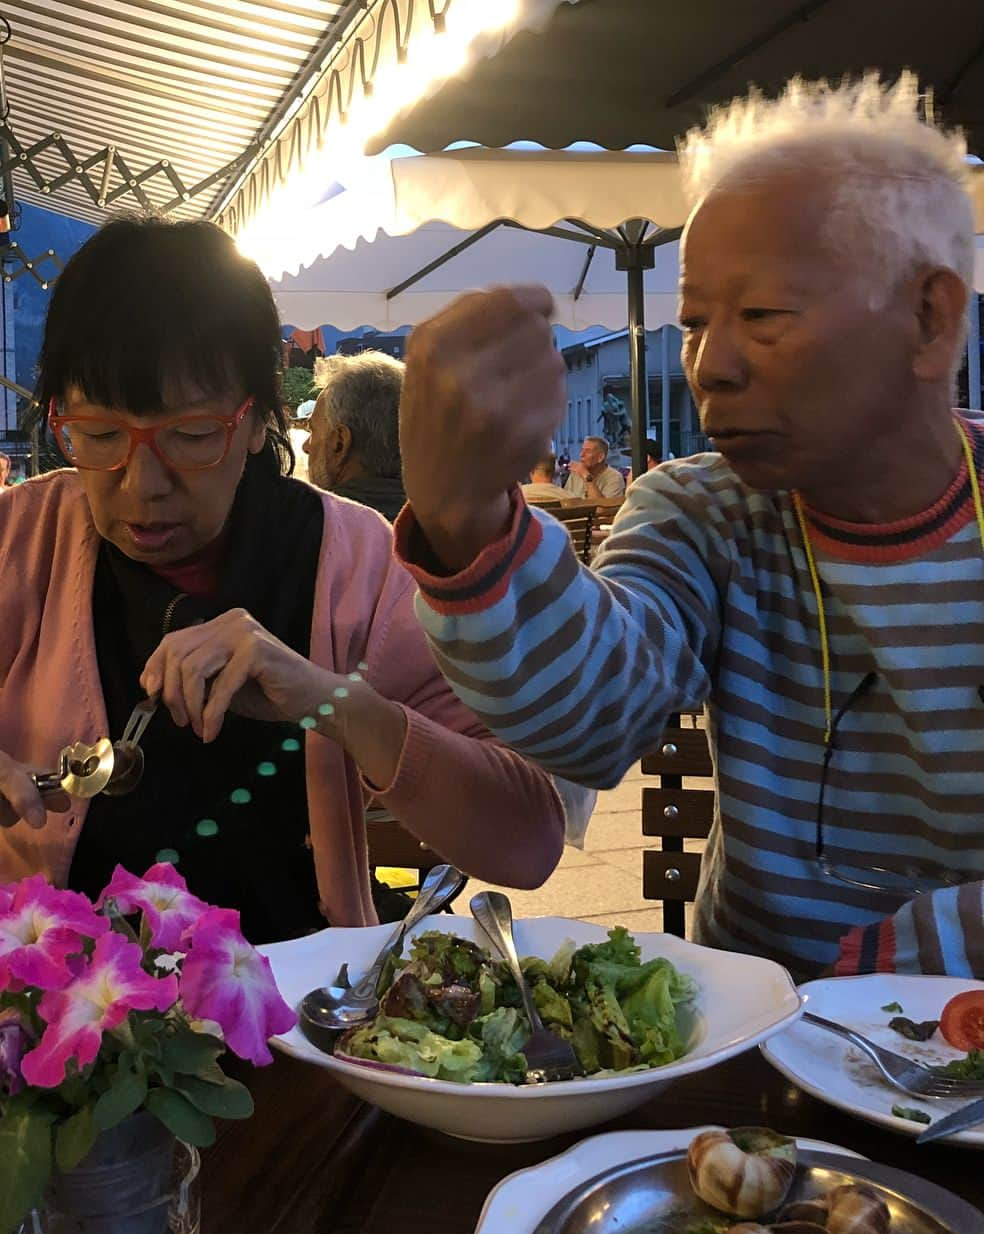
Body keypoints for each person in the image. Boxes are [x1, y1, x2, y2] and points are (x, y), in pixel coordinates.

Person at [394, 72, 984, 981]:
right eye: (697, 321)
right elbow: (595, 717)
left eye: (763, 315)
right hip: (758, 1057)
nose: (711, 364)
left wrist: (903, 964)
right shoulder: (704, 513)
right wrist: (465, 522)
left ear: (929, 318)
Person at [0, 216, 564, 944]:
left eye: (191, 435)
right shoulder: (16, 544)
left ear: (258, 420)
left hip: (296, 1008)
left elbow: (528, 838)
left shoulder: (359, 565)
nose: (141, 483)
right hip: (55, 1006)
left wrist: (331, 701)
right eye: (97, 434)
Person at [304, 352, 407, 522]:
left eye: (312, 431)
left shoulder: (307, 528)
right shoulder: (444, 526)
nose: (306, 447)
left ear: (340, 444)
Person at [564, 436, 626, 501]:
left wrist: (586, 475)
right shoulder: (575, 473)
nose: (581, 454)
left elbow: (604, 508)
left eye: (587, 451)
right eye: (582, 450)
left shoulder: (615, 478)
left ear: (600, 457)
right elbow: (566, 501)